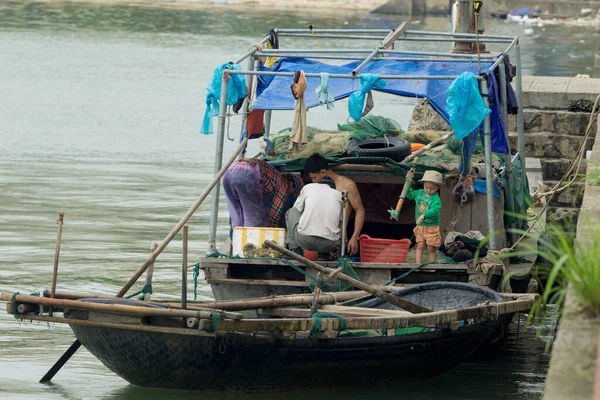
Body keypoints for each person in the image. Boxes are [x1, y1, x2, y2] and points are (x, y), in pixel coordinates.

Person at [303, 154, 365, 256]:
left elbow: (359, 210)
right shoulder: (315, 187)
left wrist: (354, 237)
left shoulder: (347, 185)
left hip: (336, 240)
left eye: (314, 177)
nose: (313, 181)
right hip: (315, 237)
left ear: (323, 172)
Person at [222, 158, 303, 228]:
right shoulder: (284, 186)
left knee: (237, 214)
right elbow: (274, 216)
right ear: (292, 185)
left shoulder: (275, 176)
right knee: (254, 218)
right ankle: (249, 244)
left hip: (229, 170)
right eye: (293, 192)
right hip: (245, 173)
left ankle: (236, 241)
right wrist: (272, 233)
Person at [285, 177, 342, 255]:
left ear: (319, 183)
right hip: (329, 245)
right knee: (337, 223)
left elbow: (296, 209)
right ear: (332, 188)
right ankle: (325, 254)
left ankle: (295, 250)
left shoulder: (309, 187)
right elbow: (340, 223)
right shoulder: (339, 195)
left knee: (291, 212)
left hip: (305, 240)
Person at [407, 170, 443, 263]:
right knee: (420, 245)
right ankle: (418, 265)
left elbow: (434, 210)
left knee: (431, 247)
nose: (428, 190)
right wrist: (408, 184)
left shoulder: (436, 199)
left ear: (437, 188)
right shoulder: (419, 193)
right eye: (426, 187)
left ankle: (432, 266)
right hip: (421, 226)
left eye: (432, 189)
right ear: (423, 184)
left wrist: (424, 215)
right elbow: (410, 195)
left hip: (432, 226)